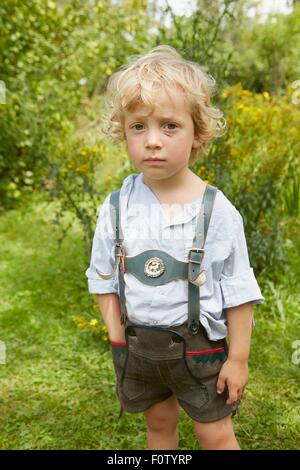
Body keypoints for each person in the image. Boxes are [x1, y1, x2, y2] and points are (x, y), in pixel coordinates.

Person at [85, 45, 265, 450]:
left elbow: (238, 290)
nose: (152, 141)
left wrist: (237, 359)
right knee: (159, 423)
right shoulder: (116, 208)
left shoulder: (217, 211)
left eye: (169, 126)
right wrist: (118, 339)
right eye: (138, 127)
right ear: (122, 132)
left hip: (202, 351)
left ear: (197, 133)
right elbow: (102, 278)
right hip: (141, 350)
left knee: (213, 433)